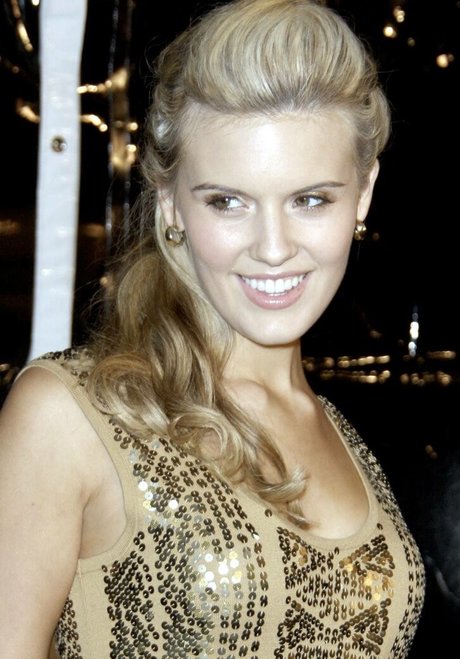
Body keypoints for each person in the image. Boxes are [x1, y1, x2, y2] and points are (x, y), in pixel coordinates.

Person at [0, 0, 425, 657]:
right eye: (228, 201)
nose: (274, 248)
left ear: (363, 192)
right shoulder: (71, 413)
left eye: (310, 199)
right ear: (171, 199)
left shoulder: (347, 439)